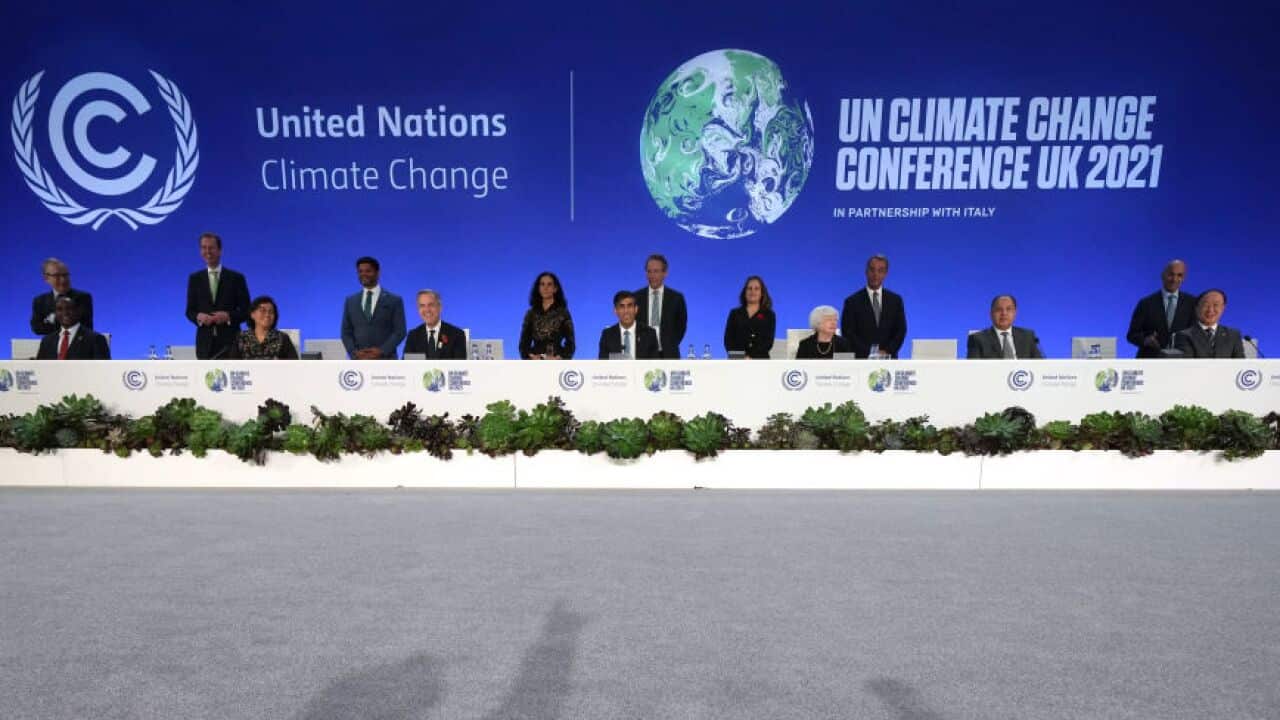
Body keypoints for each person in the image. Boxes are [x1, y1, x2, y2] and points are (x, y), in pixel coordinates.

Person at [185, 232, 250, 359]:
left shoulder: (236, 278)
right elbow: (189, 311)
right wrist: (198, 316)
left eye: (211, 247)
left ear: (219, 250)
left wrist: (228, 316)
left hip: (231, 343)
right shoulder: (195, 279)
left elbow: (247, 310)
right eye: (204, 248)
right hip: (205, 344)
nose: (207, 251)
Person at [1126, 259, 1197, 358]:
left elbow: (1196, 335)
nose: (1174, 279)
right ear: (1162, 275)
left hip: (1181, 363)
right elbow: (1131, 335)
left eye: (1179, 275)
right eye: (1171, 274)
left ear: (1184, 278)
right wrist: (1145, 340)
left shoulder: (1193, 303)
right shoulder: (1145, 303)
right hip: (1150, 361)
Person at [840, 254, 907, 359]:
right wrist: (870, 353)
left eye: (880, 270)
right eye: (872, 270)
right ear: (866, 272)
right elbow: (848, 333)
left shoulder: (896, 301)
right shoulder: (852, 302)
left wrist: (887, 351)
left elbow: (900, 331)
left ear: (885, 274)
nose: (875, 274)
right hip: (861, 360)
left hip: (888, 360)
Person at [341, 256, 406, 360]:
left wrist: (382, 350)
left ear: (378, 273)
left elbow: (400, 331)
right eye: (360, 271)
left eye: (368, 271)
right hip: (359, 362)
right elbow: (346, 332)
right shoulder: (350, 301)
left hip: (386, 360)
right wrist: (355, 353)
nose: (363, 274)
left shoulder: (394, 300)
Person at [634, 254, 687, 359]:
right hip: (642, 356)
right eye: (649, 271)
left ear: (665, 273)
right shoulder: (636, 297)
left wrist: (669, 344)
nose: (652, 275)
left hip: (669, 355)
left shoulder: (676, 298)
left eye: (656, 271)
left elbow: (681, 327)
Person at [30, 258, 93, 336]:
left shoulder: (82, 298)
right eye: (57, 276)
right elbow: (37, 328)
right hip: (51, 346)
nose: (63, 280)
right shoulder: (40, 301)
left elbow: (85, 327)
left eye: (65, 275)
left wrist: (52, 322)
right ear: (46, 278)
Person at [967, 295, 1044, 359]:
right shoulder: (977, 339)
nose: (1004, 313)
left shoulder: (1028, 336)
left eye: (1009, 309)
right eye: (999, 310)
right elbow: (973, 369)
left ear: (1015, 313)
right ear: (991, 314)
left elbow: (1040, 365)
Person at [518, 271, 575, 359]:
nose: (545, 288)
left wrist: (559, 358)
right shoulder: (531, 314)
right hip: (535, 362)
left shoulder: (563, 313)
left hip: (556, 361)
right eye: (542, 284)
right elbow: (524, 343)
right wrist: (531, 357)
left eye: (549, 284)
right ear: (538, 288)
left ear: (555, 288)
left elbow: (571, 343)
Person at [1173, 289, 1245, 358]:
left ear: (1223, 308)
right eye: (1206, 305)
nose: (1210, 310)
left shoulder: (1233, 335)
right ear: (1197, 308)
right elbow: (1187, 366)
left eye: (1216, 305)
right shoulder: (1184, 336)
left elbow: (1240, 365)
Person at [36, 295, 110, 360]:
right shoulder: (46, 341)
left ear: (78, 311)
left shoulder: (96, 339)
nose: (65, 313)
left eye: (69, 308)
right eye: (59, 309)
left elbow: (103, 371)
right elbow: (39, 369)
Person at [403, 289, 468, 359]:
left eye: (431, 305)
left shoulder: (457, 335)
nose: (427, 310)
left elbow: (459, 367)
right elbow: (406, 366)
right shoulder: (413, 336)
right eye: (422, 306)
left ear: (440, 307)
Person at [723, 275, 776, 359]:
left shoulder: (769, 315)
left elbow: (768, 342)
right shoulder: (734, 313)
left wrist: (751, 357)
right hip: (736, 361)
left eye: (756, 288)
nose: (752, 291)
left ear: (762, 293)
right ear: (745, 292)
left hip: (760, 362)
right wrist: (742, 357)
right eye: (749, 288)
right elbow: (728, 341)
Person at [230, 296, 298, 359]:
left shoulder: (283, 338)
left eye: (271, 312)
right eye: (263, 311)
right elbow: (231, 366)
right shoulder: (241, 337)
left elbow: (294, 365)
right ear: (252, 314)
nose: (267, 315)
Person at [599, 291, 660, 359]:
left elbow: (655, 364)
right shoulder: (607, 335)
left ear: (636, 309)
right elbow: (603, 363)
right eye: (622, 307)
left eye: (629, 306)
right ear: (615, 311)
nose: (626, 311)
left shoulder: (649, 333)